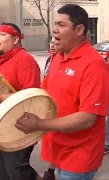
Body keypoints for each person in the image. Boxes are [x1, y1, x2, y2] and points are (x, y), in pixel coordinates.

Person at [15, 4, 109, 180]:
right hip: (57, 148)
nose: (54, 29)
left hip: (79, 155)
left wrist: (39, 124)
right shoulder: (58, 58)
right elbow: (43, 94)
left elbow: (88, 117)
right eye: (55, 24)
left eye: (61, 24)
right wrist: (7, 100)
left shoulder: (94, 65)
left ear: (79, 29)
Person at [0, 23, 41, 180]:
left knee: (17, 173)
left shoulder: (24, 60)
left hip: (18, 128)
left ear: (15, 39)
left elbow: (30, 96)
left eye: (3, 34)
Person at [42, 36, 60, 180]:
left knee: (57, 138)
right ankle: (52, 169)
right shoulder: (50, 59)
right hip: (49, 103)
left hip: (59, 106)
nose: (52, 45)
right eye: (51, 42)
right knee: (53, 140)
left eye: (56, 42)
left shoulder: (62, 59)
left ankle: (51, 170)